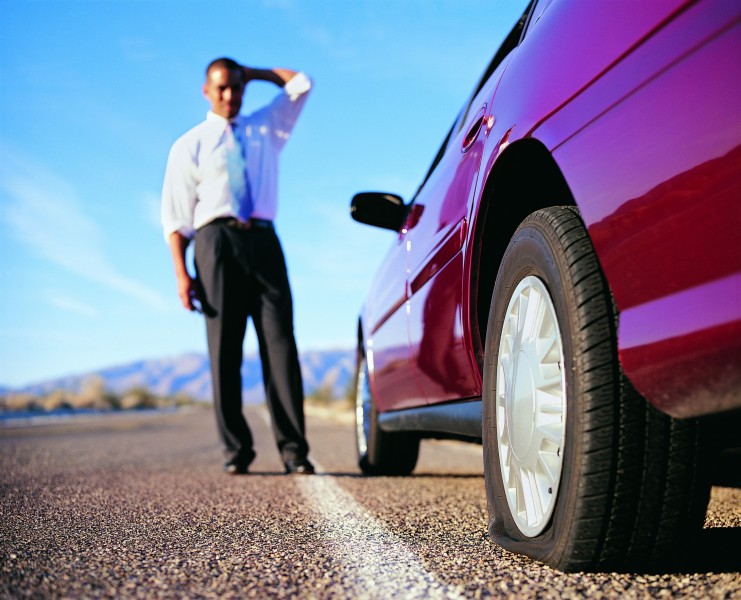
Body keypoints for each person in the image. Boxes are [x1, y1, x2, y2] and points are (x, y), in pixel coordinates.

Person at [161, 57, 314, 475]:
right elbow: (176, 219)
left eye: (236, 86)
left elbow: (301, 83)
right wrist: (181, 274)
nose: (230, 95)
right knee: (224, 349)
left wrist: (254, 71)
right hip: (216, 244)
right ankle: (236, 450)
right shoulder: (188, 145)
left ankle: (294, 451)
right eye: (222, 88)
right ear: (206, 91)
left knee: (281, 345)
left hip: (264, 242)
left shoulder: (266, 128)